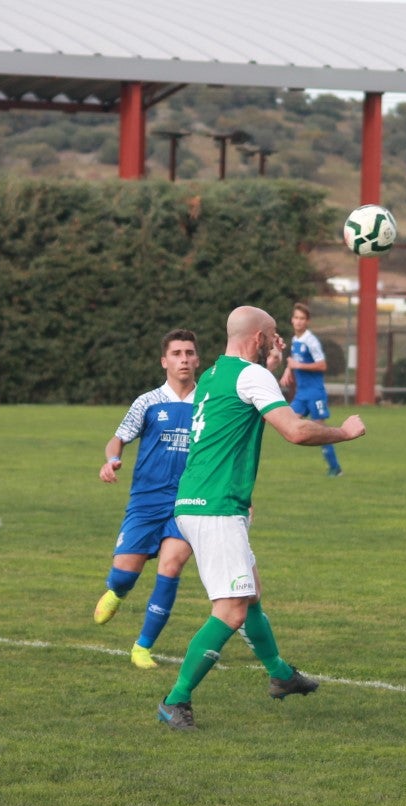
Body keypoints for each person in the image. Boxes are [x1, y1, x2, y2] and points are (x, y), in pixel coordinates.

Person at [157, 306, 367, 731]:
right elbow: (295, 430)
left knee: (250, 593)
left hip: (200, 500)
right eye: (272, 337)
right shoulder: (249, 376)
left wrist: (272, 370)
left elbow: (259, 409)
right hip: (216, 505)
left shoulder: (215, 375)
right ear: (257, 339)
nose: (277, 342)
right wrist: (344, 432)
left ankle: (280, 674)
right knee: (232, 609)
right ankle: (175, 700)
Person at [93, 329, 200, 669]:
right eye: (177, 353)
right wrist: (112, 461)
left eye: (189, 353)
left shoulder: (207, 404)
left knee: (171, 567)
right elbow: (117, 440)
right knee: (125, 574)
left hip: (188, 502)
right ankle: (118, 591)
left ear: (197, 360)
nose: (184, 358)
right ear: (164, 361)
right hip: (146, 500)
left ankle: (142, 647)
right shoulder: (148, 401)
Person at [280, 302, 342, 476]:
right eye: (296, 318)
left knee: (321, 430)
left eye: (302, 318)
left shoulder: (311, 340)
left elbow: (322, 365)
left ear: (307, 321)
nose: (299, 322)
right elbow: (293, 360)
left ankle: (335, 467)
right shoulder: (295, 340)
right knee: (288, 422)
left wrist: (297, 365)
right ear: (292, 320)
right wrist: (288, 369)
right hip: (301, 394)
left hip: (315, 392)